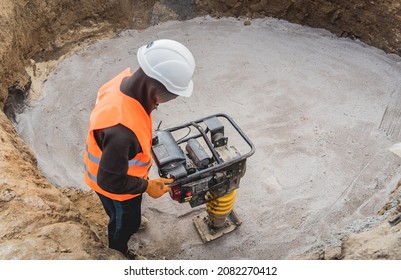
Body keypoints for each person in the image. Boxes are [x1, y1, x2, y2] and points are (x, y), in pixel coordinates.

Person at [84, 39, 195, 259]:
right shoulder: (122, 132)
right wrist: (147, 186)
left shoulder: (122, 84)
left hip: (115, 168)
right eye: (173, 94)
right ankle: (118, 250)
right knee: (124, 223)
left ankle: (127, 221)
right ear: (155, 88)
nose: (173, 99)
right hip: (113, 188)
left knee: (128, 215)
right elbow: (110, 181)